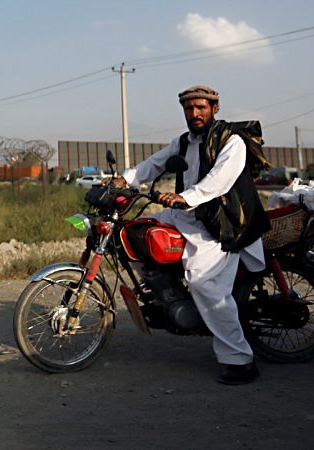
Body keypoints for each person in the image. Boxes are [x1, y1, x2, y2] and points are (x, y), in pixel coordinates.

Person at [111, 85, 270, 385]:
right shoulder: (184, 142)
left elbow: (219, 180)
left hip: (224, 220)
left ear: (214, 108)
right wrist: (125, 179)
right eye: (189, 108)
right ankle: (168, 295)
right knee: (136, 235)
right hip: (192, 213)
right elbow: (155, 163)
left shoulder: (231, 140)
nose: (195, 113)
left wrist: (186, 197)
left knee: (205, 282)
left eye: (201, 107)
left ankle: (240, 360)